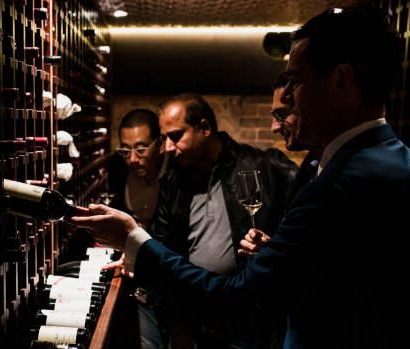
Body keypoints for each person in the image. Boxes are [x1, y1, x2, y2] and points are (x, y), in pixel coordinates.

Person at [67, 5, 410, 348]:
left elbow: (239, 307)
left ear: (340, 81)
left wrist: (133, 239)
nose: (287, 98)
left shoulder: (341, 186)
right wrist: (274, 253)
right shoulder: (336, 162)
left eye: (295, 80)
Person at [146, 93, 297, 349]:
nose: (168, 148)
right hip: (195, 318)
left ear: (204, 128)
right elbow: (161, 239)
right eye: (164, 139)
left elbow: (306, 219)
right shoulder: (173, 182)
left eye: (176, 136)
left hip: (250, 320)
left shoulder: (264, 165)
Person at [104, 108, 169, 349]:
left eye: (141, 150)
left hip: (167, 274)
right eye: (125, 150)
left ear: (160, 145)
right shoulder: (118, 167)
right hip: (134, 276)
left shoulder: (175, 175)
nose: (132, 158)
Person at [238, 72, 323, 257]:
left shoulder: (346, 169)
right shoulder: (312, 164)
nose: (274, 128)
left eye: (281, 114)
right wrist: (272, 247)